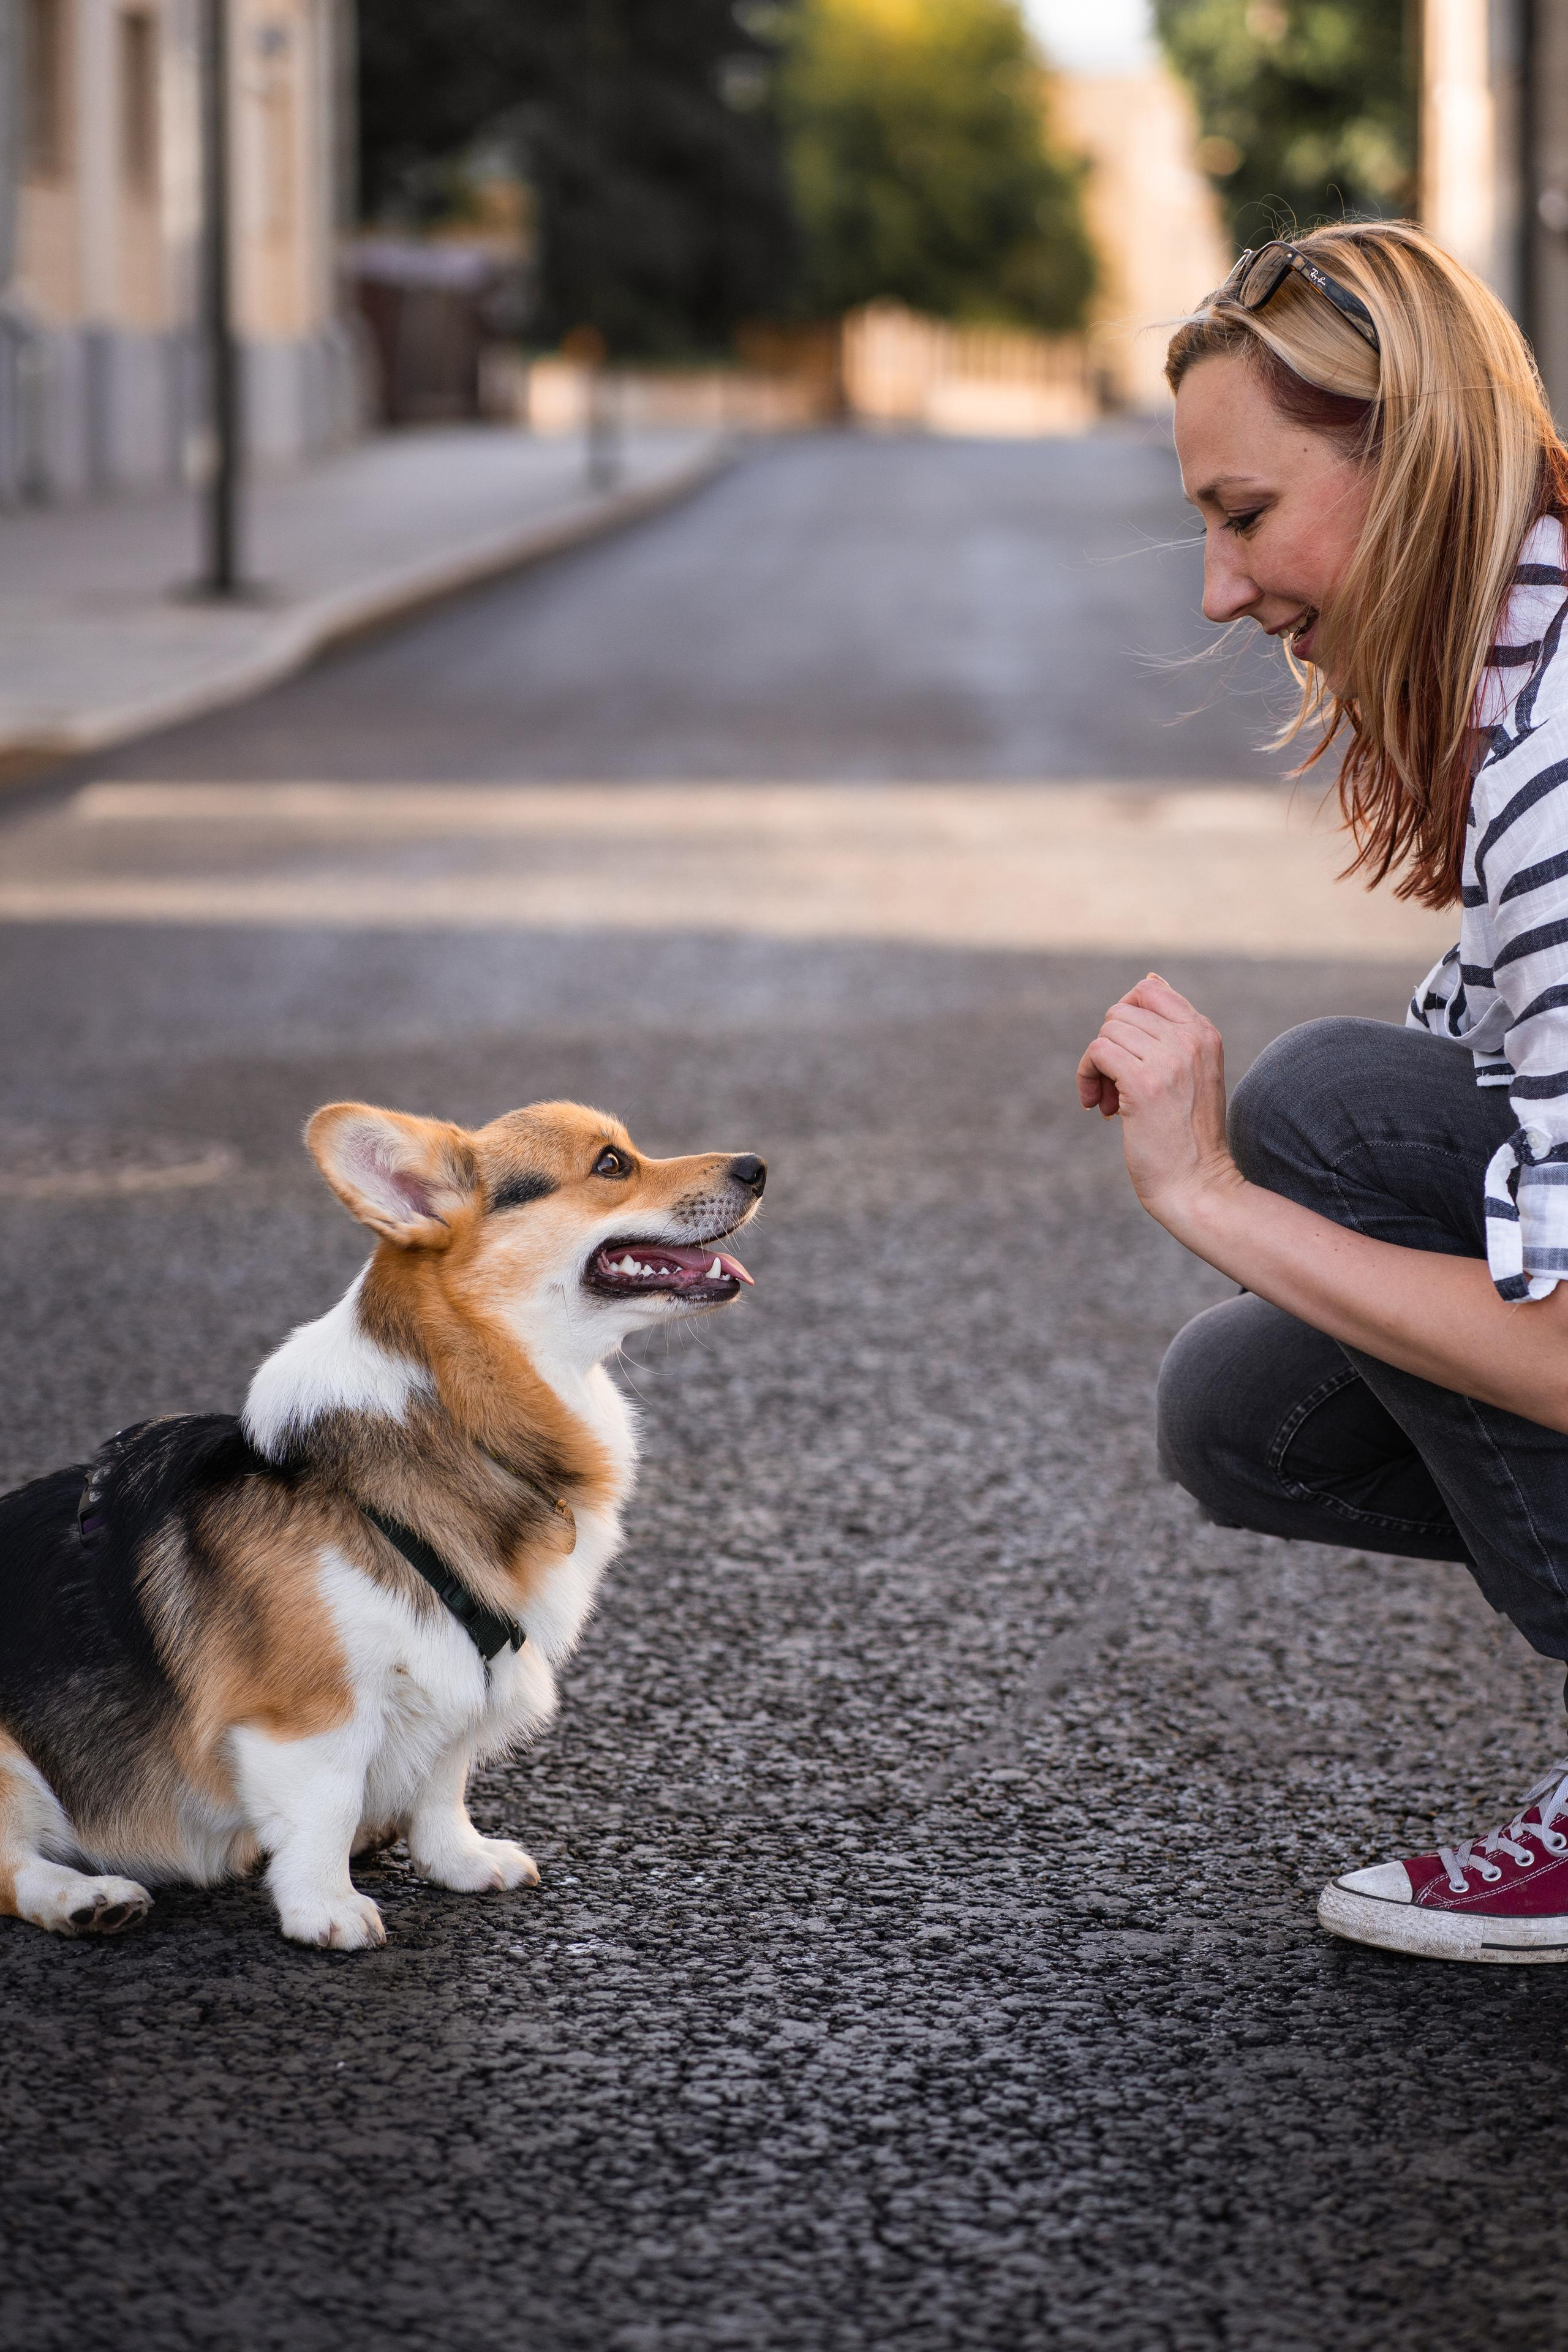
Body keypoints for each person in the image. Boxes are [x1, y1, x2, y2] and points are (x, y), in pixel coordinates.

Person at [1077, 220, 1568, 1965]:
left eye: (1243, 515)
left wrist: (1213, 1192)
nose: (1222, 593)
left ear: (1414, 461)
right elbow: (1505, 1091)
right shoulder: (1527, 682)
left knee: (1325, 1116)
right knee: (1246, 1403)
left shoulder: (1562, 764)